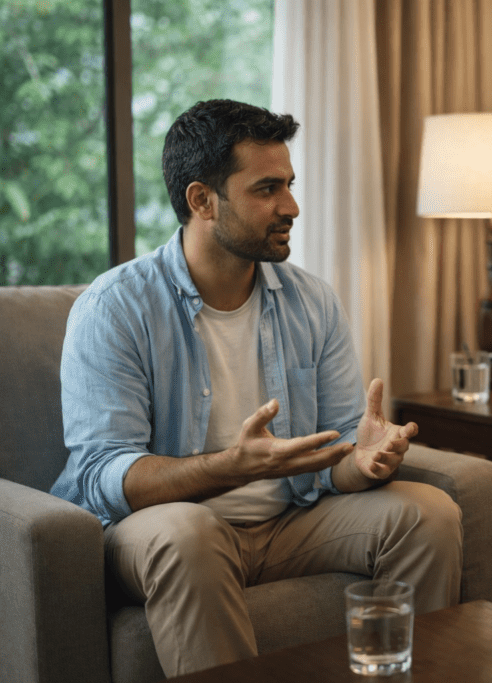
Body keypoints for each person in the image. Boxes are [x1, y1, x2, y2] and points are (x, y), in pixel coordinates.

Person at [50, 99, 463, 677]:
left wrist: (362, 460)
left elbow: (333, 457)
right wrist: (234, 466)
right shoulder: (115, 307)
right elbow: (102, 475)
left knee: (428, 513)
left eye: (289, 185)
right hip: (166, 526)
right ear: (202, 201)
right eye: (267, 188)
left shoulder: (311, 300)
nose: (291, 206)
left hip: (287, 523)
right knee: (188, 533)